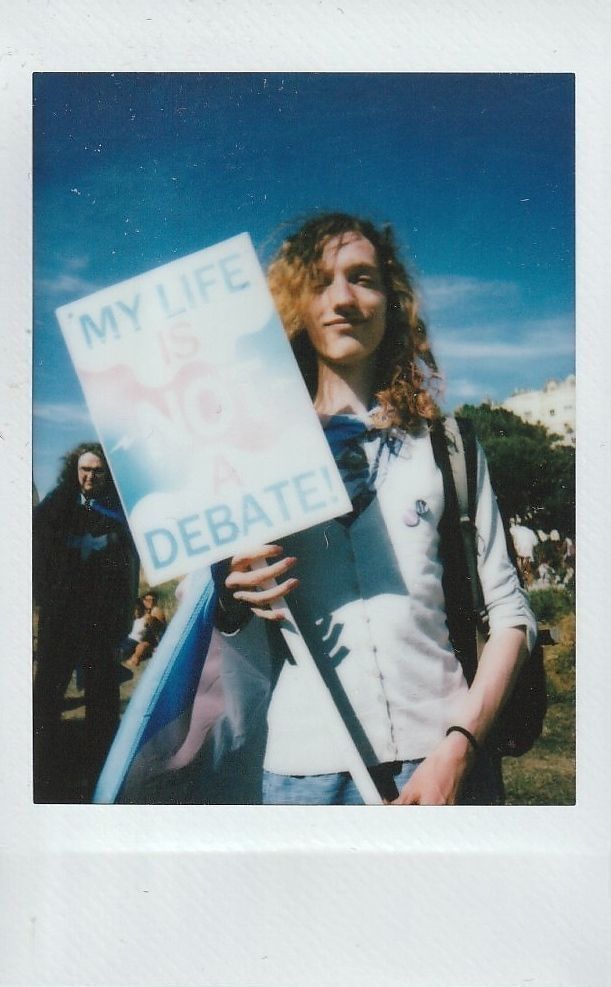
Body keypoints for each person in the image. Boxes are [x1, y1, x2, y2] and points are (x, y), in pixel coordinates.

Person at [213, 212, 537, 806]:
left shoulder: (449, 444)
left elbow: (511, 612)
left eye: (362, 277)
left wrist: (458, 749)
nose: (343, 298)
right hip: (304, 771)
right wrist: (229, 584)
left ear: (393, 301)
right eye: (320, 281)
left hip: (445, 760)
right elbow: (214, 629)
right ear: (293, 307)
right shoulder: (247, 453)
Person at [33, 442, 138, 800]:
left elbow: (128, 570)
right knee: (47, 694)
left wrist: (122, 616)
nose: (90, 476)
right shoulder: (55, 507)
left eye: (97, 470)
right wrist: (45, 602)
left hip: (101, 622)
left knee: (103, 698)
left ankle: (103, 768)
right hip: (60, 620)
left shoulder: (118, 513)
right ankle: (42, 764)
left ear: (107, 473)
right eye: (84, 469)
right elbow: (35, 554)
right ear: (74, 470)